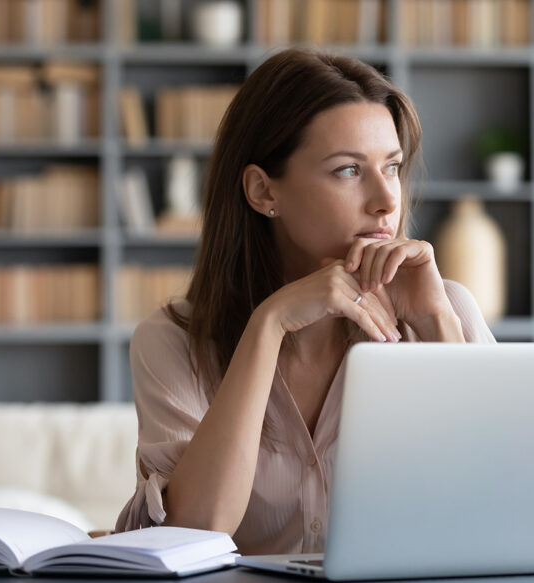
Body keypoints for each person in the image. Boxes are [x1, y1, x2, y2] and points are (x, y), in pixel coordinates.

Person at [114, 47, 497, 555]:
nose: (386, 199)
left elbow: (499, 504)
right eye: (347, 171)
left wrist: (434, 323)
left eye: (393, 167)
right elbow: (196, 531)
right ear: (262, 191)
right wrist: (267, 325)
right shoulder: (172, 342)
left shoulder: (444, 309)